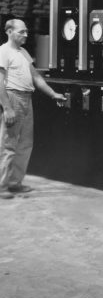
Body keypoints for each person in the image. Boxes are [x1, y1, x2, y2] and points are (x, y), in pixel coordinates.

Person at [0, 19, 66, 199]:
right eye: (21, 32)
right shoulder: (3, 51)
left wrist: (53, 94)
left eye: (26, 32)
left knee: (25, 145)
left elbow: (36, 77)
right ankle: (1, 186)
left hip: (26, 99)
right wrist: (7, 108)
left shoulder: (23, 52)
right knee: (8, 146)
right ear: (9, 31)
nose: (26, 35)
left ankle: (15, 183)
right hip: (12, 98)